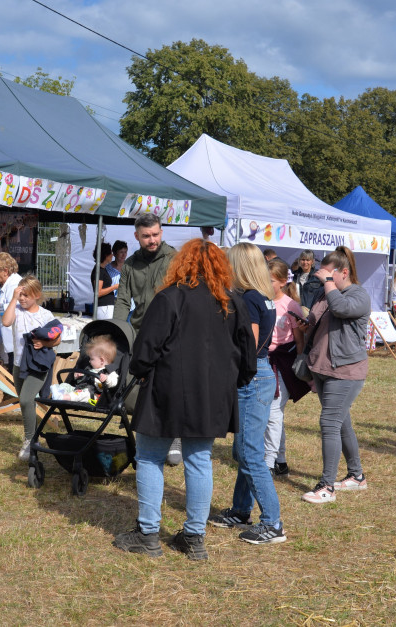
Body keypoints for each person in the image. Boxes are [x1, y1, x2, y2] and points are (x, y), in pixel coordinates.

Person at [113, 239, 255, 561]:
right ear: (221, 267)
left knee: (150, 457)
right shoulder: (232, 302)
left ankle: (149, 534)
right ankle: (194, 537)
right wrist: (231, 383)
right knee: (198, 460)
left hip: (166, 391)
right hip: (209, 396)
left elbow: (144, 350)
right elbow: (249, 358)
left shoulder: (171, 297)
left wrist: (139, 370)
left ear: (181, 264)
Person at [208, 243, 288, 545]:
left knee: (250, 453)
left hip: (252, 378)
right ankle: (241, 511)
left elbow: (249, 346)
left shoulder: (250, 300)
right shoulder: (262, 297)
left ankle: (272, 523)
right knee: (245, 450)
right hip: (262, 375)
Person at [297, 246, 371, 504]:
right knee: (341, 423)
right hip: (322, 368)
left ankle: (327, 486)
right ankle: (357, 476)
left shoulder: (358, 294)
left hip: (346, 371)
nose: (324, 280)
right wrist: (306, 324)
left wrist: (327, 284)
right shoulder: (324, 293)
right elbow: (318, 317)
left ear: (344, 273)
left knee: (329, 423)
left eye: (329, 275)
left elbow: (339, 308)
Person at [112, 214, 180, 463]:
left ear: (161, 232)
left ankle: (175, 436)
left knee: (170, 387)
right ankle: (144, 439)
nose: (152, 240)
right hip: (140, 334)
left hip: (171, 336)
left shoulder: (175, 260)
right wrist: (119, 333)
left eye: (155, 234)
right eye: (146, 236)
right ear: (136, 236)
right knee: (140, 389)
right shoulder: (129, 265)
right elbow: (122, 300)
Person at [0, 275, 60, 461]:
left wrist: (44, 343)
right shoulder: (16, 310)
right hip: (19, 365)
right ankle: (33, 439)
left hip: (38, 365)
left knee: (26, 400)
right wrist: (13, 299)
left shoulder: (45, 315)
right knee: (25, 402)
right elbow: (6, 322)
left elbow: (57, 338)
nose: (23, 298)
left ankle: (29, 441)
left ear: (37, 295)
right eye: (21, 295)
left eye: (26, 295)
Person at [263, 258, 312, 477]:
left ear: (282, 282)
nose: (265, 283)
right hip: (263, 361)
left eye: (270, 280)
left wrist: (299, 365)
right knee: (274, 413)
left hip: (282, 363)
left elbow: (299, 340)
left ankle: (269, 462)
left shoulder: (291, 305)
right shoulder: (261, 300)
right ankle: (280, 460)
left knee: (273, 413)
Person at [49, 335, 118, 405]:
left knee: (80, 394)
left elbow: (114, 382)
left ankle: (62, 397)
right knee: (65, 385)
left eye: (92, 359)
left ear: (102, 360)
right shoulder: (90, 369)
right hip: (80, 389)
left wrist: (106, 378)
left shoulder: (108, 372)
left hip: (93, 395)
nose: (89, 361)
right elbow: (82, 382)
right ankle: (57, 392)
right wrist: (78, 377)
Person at [91, 243, 117, 320]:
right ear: (106, 255)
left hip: (106, 307)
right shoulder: (99, 271)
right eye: (111, 253)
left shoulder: (102, 269)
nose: (112, 255)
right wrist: (114, 287)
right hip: (104, 307)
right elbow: (98, 292)